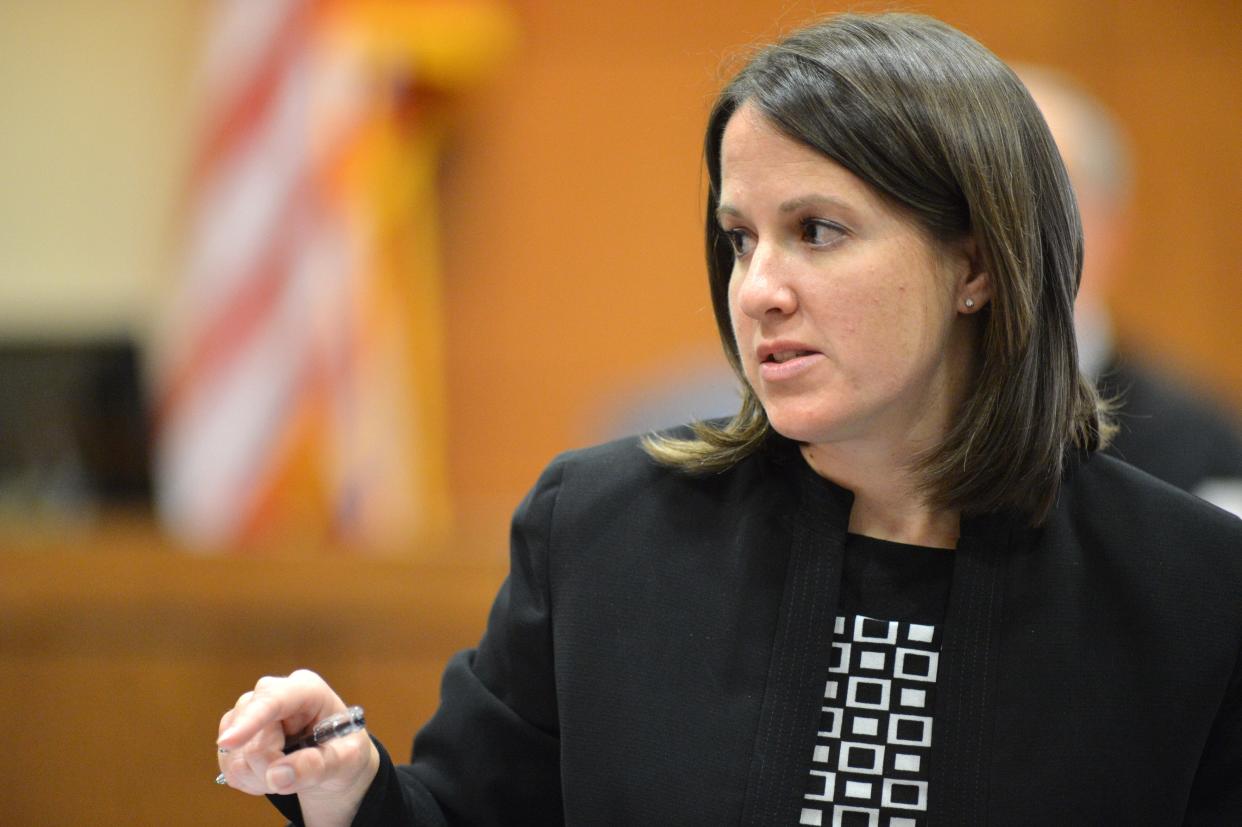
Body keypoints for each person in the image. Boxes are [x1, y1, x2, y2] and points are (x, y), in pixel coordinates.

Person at [216, 13, 1242, 825]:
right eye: (741, 238)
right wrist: (348, 786)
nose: (758, 289)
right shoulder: (602, 530)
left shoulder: (1191, 585)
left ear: (975, 263)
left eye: (818, 231)